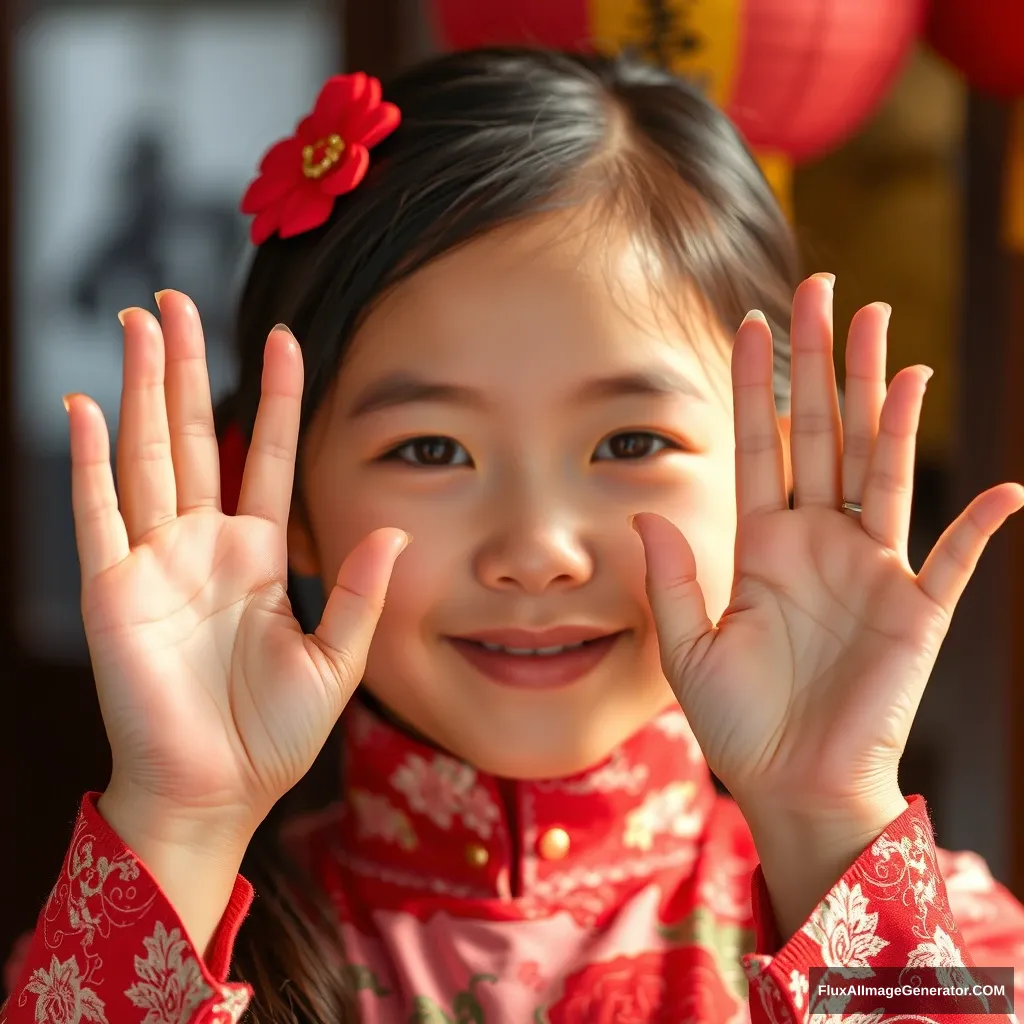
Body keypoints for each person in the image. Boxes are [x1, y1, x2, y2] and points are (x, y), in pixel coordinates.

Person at [5, 47, 1024, 1024]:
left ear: (778, 470)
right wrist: (180, 822)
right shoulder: (145, 951)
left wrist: (824, 820)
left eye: (630, 439)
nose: (536, 549)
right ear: (289, 508)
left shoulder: (962, 947)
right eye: (432, 450)